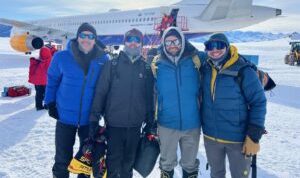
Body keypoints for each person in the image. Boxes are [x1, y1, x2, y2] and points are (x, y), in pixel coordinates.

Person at [44, 22, 109, 178]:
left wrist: (105, 111)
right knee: (62, 159)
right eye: (83, 35)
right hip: (65, 118)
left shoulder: (103, 60)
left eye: (90, 36)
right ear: (77, 37)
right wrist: (50, 102)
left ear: (95, 39)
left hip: (89, 119)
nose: (86, 39)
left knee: (85, 161)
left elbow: (106, 88)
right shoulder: (61, 57)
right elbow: (52, 80)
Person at [89, 28, 154, 178]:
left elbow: (150, 97)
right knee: (112, 164)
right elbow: (100, 93)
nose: (133, 43)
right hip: (114, 125)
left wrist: (150, 120)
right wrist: (94, 119)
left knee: (128, 164)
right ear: (124, 42)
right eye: (129, 39)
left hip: (135, 126)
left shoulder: (145, 68)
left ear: (141, 44)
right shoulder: (112, 65)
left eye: (136, 40)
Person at [201, 33, 267, 178]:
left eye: (219, 45)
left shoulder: (243, 70)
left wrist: (254, 135)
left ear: (228, 47)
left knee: (240, 175)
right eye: (210, 46)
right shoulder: (205, 68)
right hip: (211, 136)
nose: (214, 50)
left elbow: (259, 102)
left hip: (237, 138)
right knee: (216, 174)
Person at [151, 26, 202, 178]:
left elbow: (220, 60)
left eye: (176, 41)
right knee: (167, 163)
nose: (172, 45)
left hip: (192, 123)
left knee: (190, 163)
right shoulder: (156, 64)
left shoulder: (196, 59)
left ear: (182, 42)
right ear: (164, 44)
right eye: (168, 42)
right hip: (167, 123)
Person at [28, 46, 52, 110]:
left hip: (37, 81)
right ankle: (47, 106)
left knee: (39, 93)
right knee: (47, 93)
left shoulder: (38, 60)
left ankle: (38, 106)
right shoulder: (50, 60)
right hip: (46, 81)